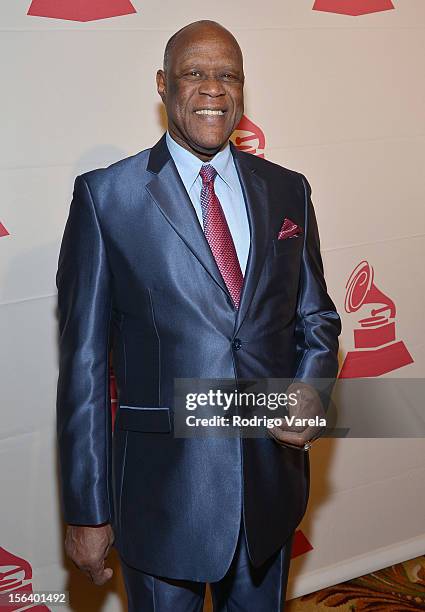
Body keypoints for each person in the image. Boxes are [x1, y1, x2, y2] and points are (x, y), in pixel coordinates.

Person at [56, 20, 341, 611]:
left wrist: (311, 389)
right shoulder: (107, 198)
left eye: (227, 75)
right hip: (162, 498)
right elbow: (83, 368)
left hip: (268, 489)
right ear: (163, 85)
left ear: (243, 88)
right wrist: (87, 510)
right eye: (194, 73)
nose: (213, 88)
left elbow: (317, 320)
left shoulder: (289, 191)